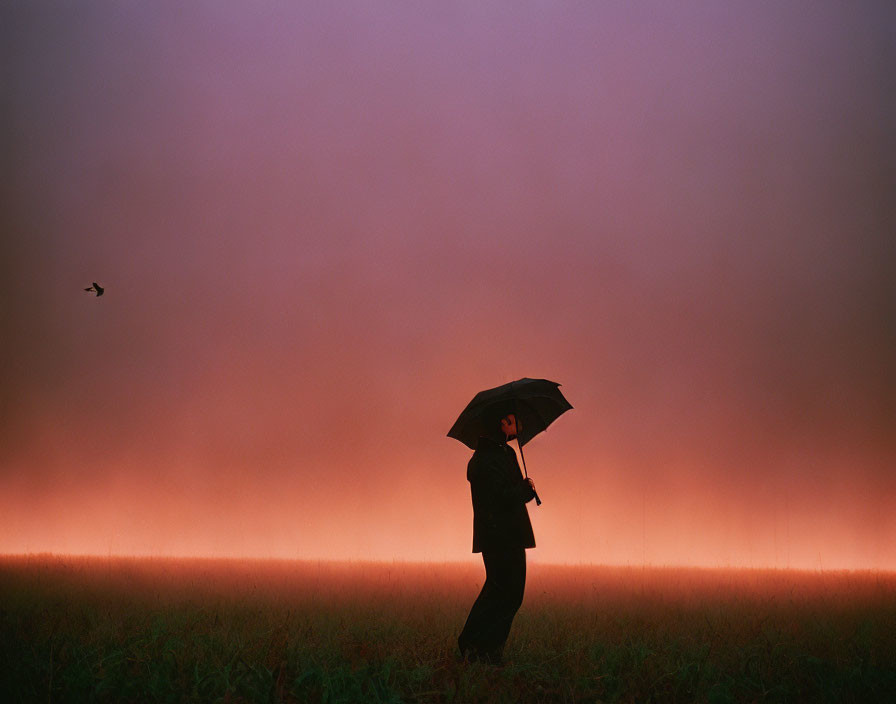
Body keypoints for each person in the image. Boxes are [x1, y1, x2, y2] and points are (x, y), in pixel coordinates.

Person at [457, 412, 537, 665]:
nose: (518, 426)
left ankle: (480, 647)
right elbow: (497, 499)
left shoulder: (502, 453)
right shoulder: (485, 459)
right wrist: (522, 491)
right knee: (506, 593)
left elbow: (505, 493)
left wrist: (522, 489)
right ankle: (480, 648)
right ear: (501, 422)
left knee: (502, 591)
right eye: (513, 420)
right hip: (500, 536)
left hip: (506, 534)